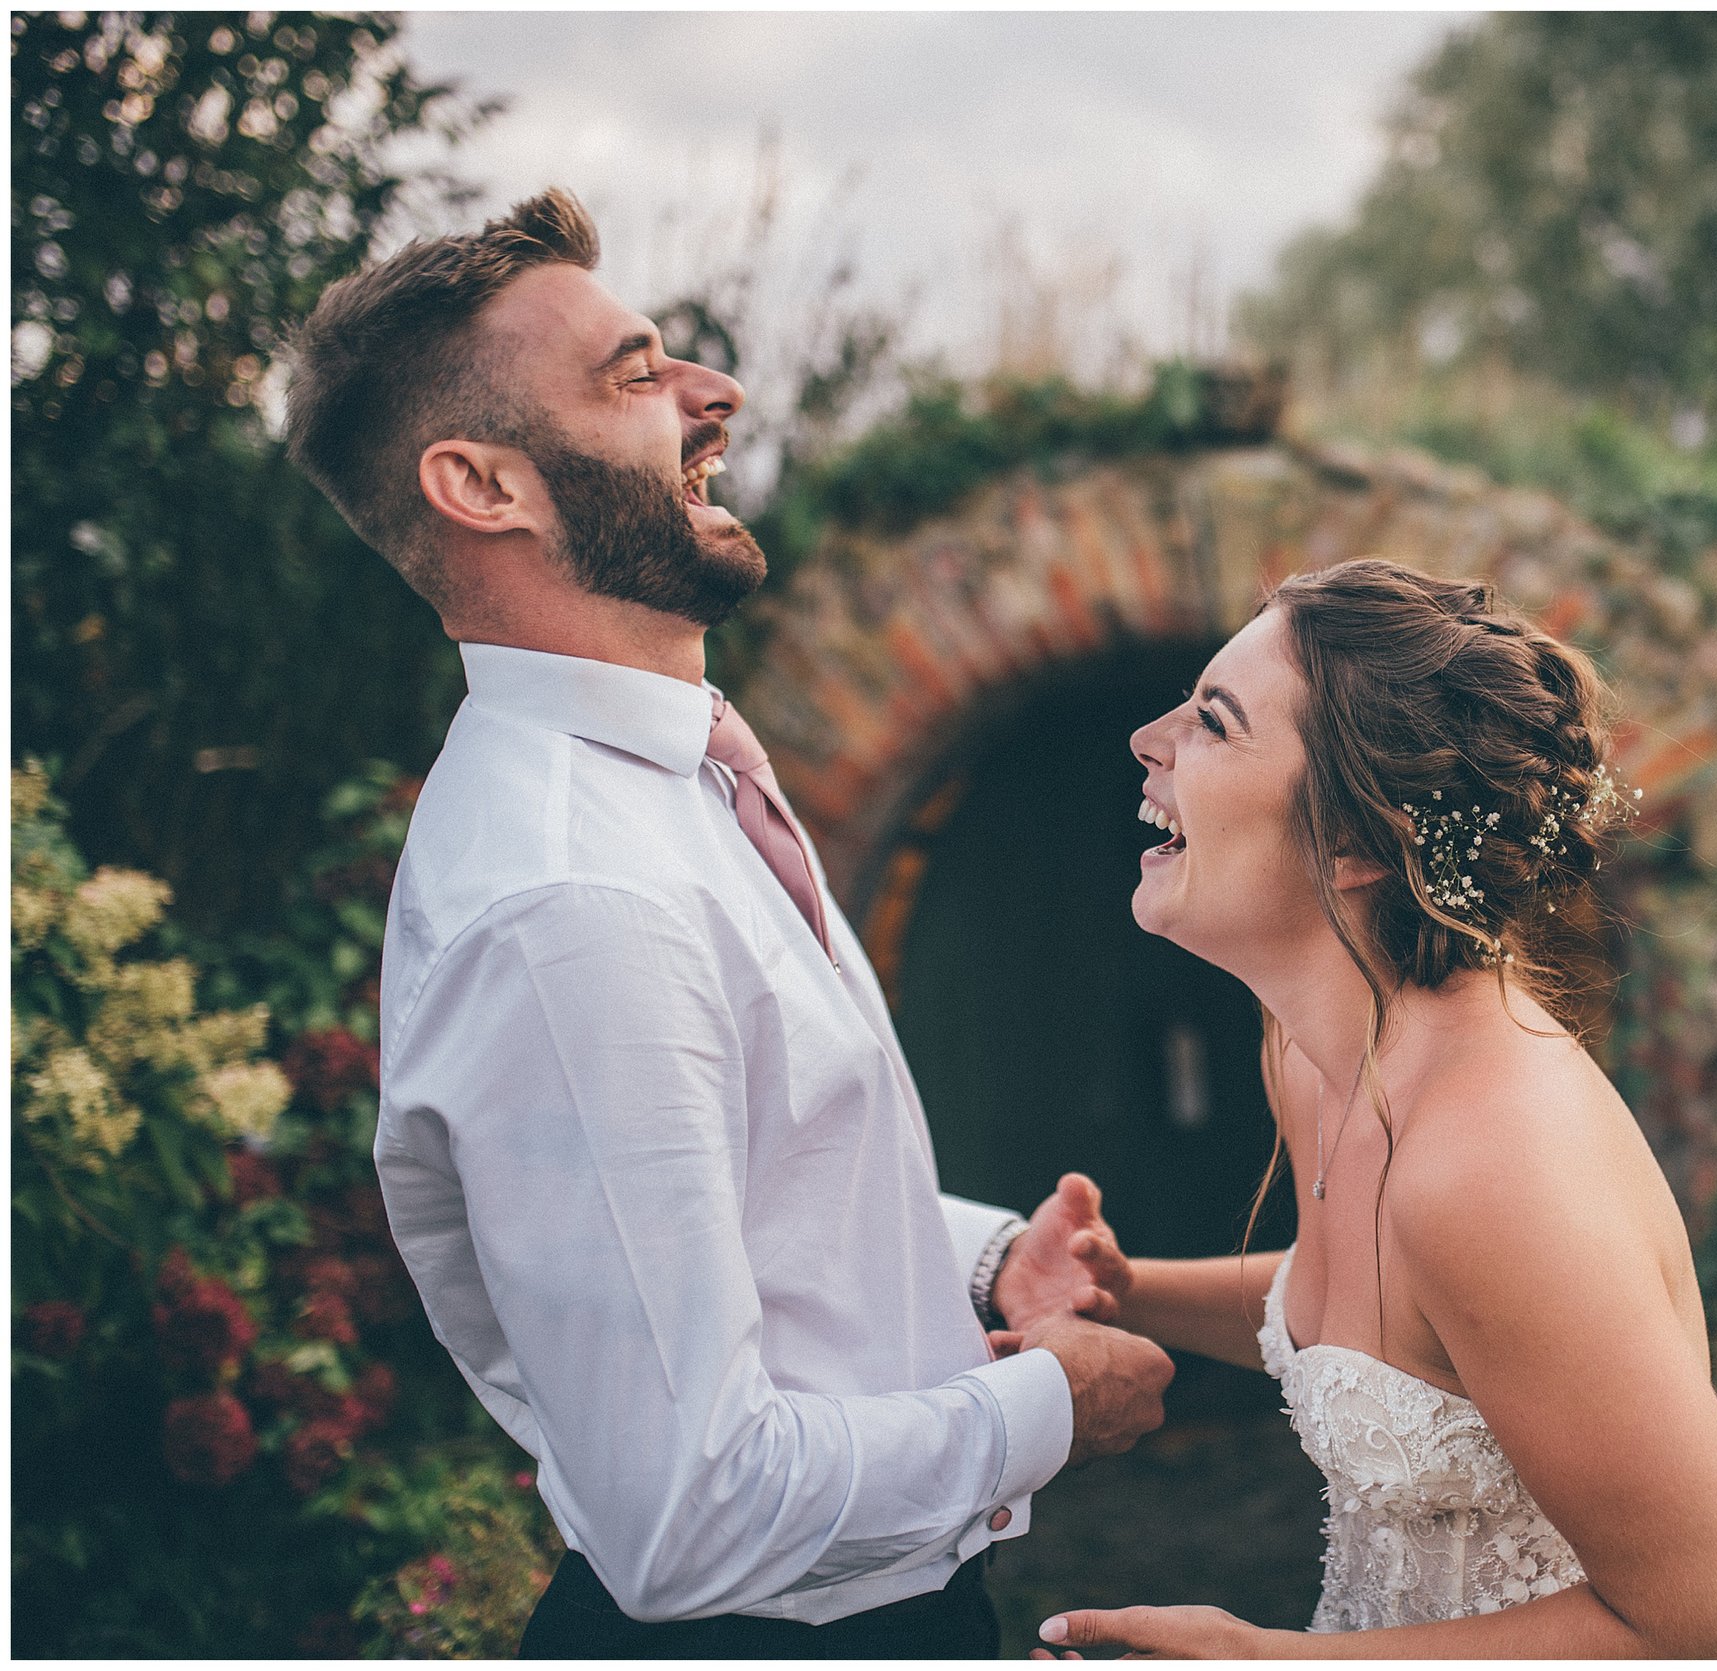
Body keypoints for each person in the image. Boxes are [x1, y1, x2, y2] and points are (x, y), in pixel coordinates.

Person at [281, 187, 1172, 1657]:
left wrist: (981, 1264)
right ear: (481, 484)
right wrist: (1048, 1403)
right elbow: (690, 1511)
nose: (716, 395)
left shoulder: (683, 777)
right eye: (636, 376)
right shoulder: (573, 902)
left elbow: (744, 1178)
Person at [1021, 559, 1717, 1657]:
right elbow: (1370, 1325)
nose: (1149, 738)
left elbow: (1709, 1635)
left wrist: (1270, 1657)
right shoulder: (1308, 1057)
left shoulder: (1491, 1168)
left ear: (1358, 845)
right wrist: (1122, 1289)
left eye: (1213, 723)